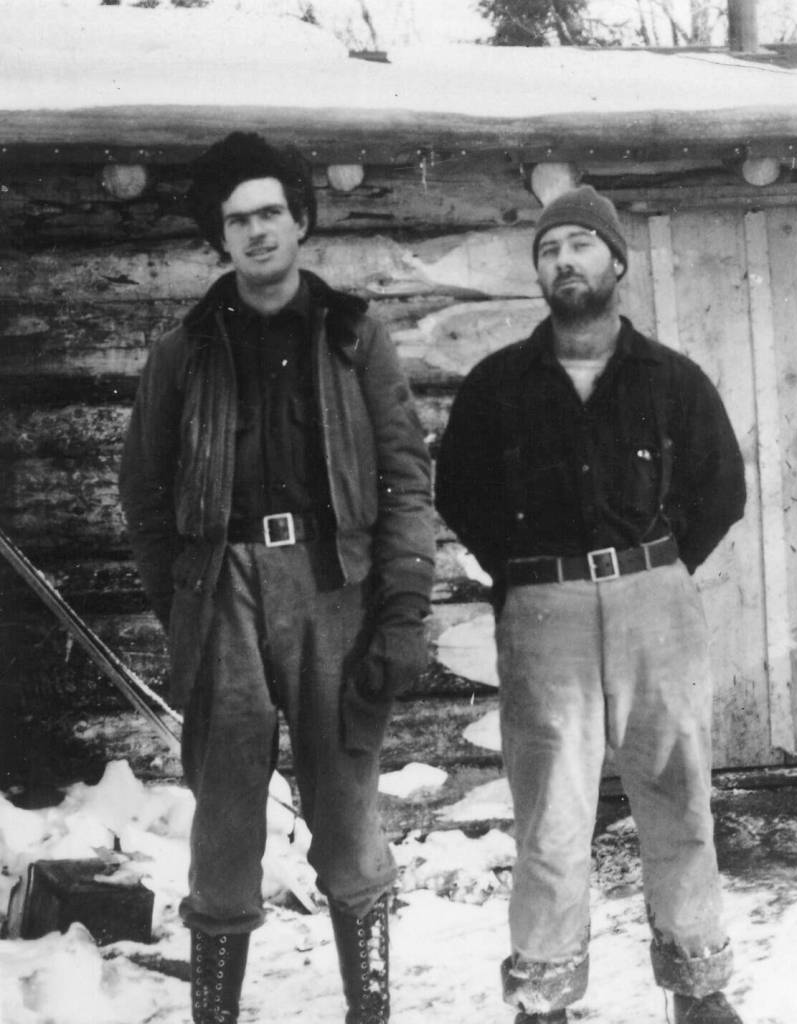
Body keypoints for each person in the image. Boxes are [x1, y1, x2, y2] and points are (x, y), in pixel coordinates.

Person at [119, 132, 435, 1024]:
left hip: (332, 588)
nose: (255, 232)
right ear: (218, 238)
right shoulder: (184, 350)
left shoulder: (351, 337)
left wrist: (403, 603)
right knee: (223, 816)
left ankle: (368, 1009)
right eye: (236, 220)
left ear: (300, 221)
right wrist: (181, 601)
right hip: (221, 589)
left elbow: (405, 475)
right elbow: (142, 490)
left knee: (345, 807)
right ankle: (216, 1014)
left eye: (269, 213)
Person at [435, 186, 747, 1024]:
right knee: (550, 823)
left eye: (579, 244)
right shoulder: (497, 386)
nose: (563, 261)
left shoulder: (671, 380)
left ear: (615, 260)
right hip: (545, 617)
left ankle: (699, 987)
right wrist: (529, 578)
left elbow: (721, 489)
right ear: (538, 273)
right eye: (548, 250)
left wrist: (657, 571)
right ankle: (543, 996)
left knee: (679, 804)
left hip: (655, 605)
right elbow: (459, 493)